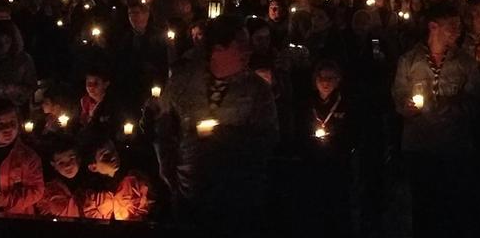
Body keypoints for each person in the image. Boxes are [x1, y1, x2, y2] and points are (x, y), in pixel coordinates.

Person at [157, 14, 278, 235]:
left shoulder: (257, 90)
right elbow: (164, 130)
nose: (248, 50)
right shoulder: (182, 82)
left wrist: (227, 139)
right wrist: (172, 176)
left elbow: (267, 139)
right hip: (190, 192)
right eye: (240, 44)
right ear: (217, 49)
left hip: (237, 197)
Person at [392, 1, 480, 238]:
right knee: (423, 207)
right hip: (420, 146)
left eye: (459, 26)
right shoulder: (409, 60)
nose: (458, 30)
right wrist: (406, 107)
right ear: (433, 27)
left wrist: (455, 108)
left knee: (453, 207)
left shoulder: (465, 62)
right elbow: (398, 95)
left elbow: (476, 100)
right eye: (451, 26)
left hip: (454, 146)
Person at [298, 60, 354, 237]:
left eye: (330, 78)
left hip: (337, 162)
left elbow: (352, 133)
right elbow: (300, 130)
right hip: (313, 161)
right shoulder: (307, 103)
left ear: (338, 80)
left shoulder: (345, 104)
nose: (325, 82)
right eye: (321, 77)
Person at [81, 137, 154, 220]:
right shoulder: (90, 192)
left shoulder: (135, 179)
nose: (114, 156)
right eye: (106, 155)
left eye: (114, 151)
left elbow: (145, 207)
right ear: (93, 167)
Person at [35, 137, 84, 218]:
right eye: (61, 163)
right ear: (53, 165)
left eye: (71, 159)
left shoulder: (91, 183)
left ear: (78, 158)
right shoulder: (48, 193)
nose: (67, 166)